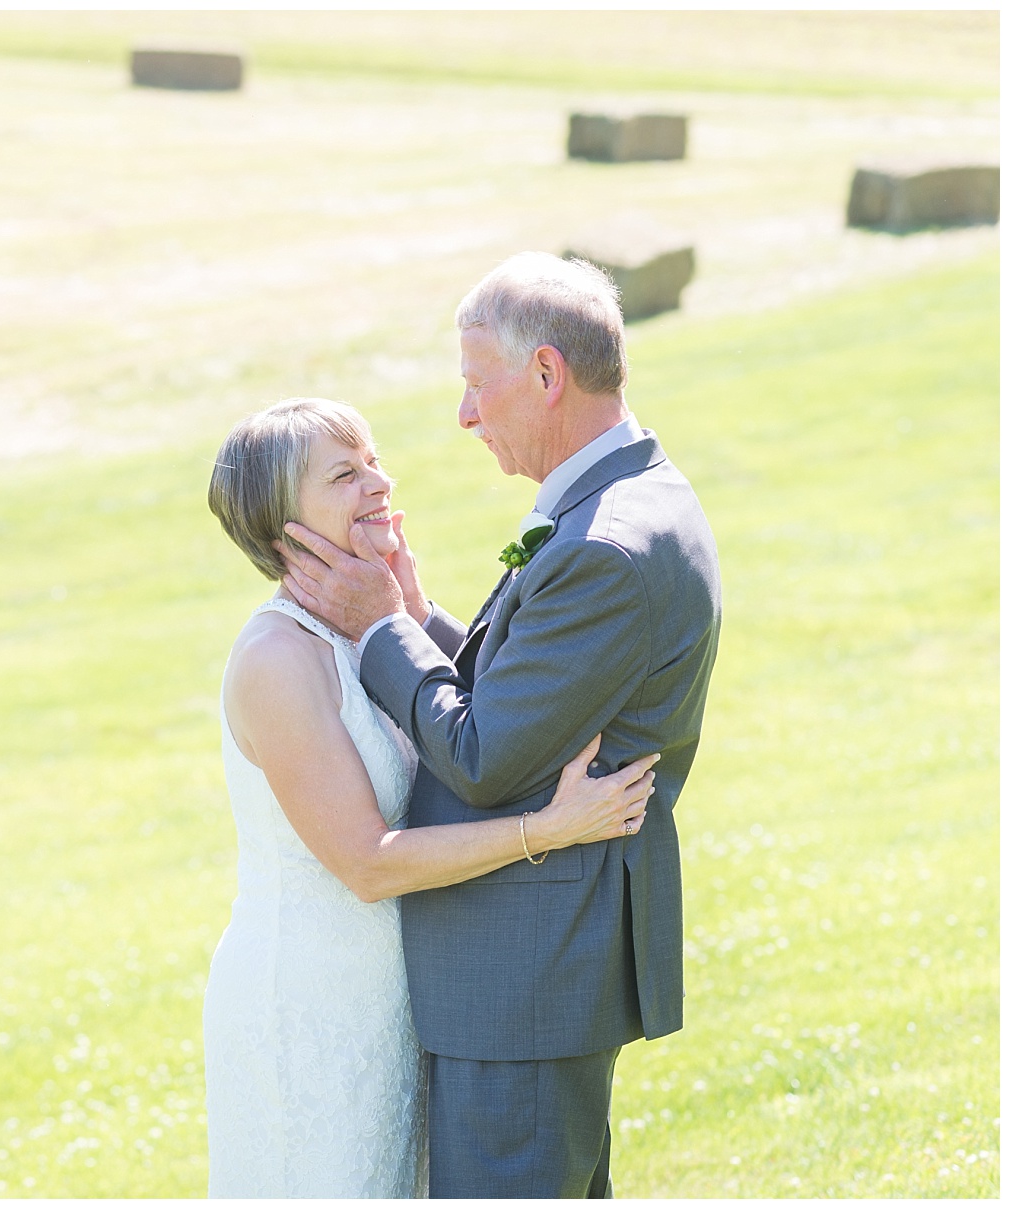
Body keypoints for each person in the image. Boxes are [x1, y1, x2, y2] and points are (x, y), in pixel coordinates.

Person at [278, 253, 722, 1197]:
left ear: (547, 375)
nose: (466, 414)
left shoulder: (604, 546)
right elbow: (528, 693)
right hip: (534, 973)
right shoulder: (628, 501)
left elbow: (483, 754)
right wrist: (420, 612)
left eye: (478, 385)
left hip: (519, 977)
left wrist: (377, 629)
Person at [202, 395, 661, 1198]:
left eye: (373, 460)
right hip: (311, 1008)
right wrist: (548, 827)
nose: (379, 481)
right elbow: (369, 864)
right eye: (346, 474)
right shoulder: (280, 658)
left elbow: (476, 722)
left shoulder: (364, 626)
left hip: (397, 1002)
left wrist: (411, 615)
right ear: (286, 529)